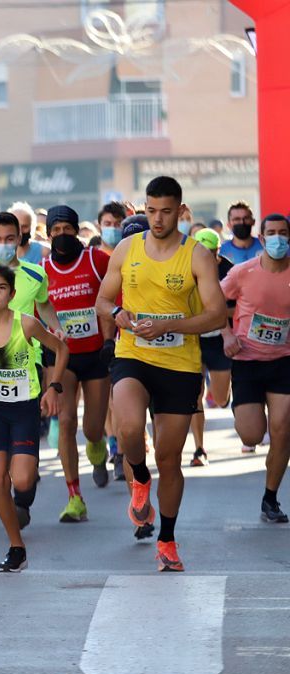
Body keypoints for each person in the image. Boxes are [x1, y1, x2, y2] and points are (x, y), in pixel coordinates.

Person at [95, 176, 226, 572]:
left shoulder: (197, 256)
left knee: (170, 459)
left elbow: (217, 314)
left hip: (179, 364)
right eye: (151, 211)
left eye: (166, 211)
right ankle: (138, 477)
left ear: (180, 211)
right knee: (129, 429)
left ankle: (167, 540)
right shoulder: (126, 248)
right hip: (133, 353)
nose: (157, 219)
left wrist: (173, 326)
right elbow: (102, 301)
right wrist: (118, 314)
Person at [0, 264, 66, 571]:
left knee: (22, 479)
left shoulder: (27, 324)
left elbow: (60, 349)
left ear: (12, 294)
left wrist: (54, 388)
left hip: (24, 407)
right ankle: (16, 546)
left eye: (1, 288)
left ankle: (26, 494)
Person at [0, 212, 60, 513]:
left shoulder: (34, 274)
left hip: (25, 369)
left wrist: (55, 327)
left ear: (19, 240)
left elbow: (45, 306)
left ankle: (23, 487)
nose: (3, 245)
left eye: (9, 239)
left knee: (21, 459)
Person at [41, 206, 114, 525]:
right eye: (55, 232)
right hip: (62, 358)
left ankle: (97, 446)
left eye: (67, 230)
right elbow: (35, 311)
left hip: (96, 354)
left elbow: (113, 299)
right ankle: (74, 497)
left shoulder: (97, 261)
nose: (61, 237)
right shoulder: (40, 270)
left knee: (92, 428)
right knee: (66, 421)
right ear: (47, 235)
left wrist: (110, 339)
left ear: (76, 231)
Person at [220, 214, 290, 523]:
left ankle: (270, 498)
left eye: (283, 233)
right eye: (272, 233)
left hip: (284, 361)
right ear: (261, 238)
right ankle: (250, 418)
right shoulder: (242, 272)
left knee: (282, 431)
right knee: (251, 435)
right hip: (247, 360)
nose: (278, 238)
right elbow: (213, 302)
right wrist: (226, 334)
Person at [188, 228, 234, 466]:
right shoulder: (186, 268)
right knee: (195, 396)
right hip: (194, 338)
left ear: (217, 253)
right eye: (200, 251)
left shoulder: (229, 270)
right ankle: (199, 449)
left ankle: (225, 398)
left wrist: (217, 314)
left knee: (220, 397)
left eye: (210, 252)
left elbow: (239, 308)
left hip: (218, 338)